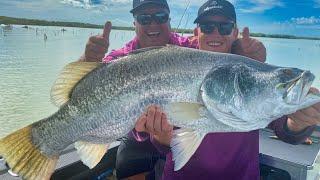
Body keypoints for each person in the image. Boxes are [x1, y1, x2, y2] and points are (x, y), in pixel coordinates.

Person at [78, 0, 268, 179]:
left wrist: (246, 53)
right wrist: (87, 58)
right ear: (134, 23)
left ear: (169, 19)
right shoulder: (121, 57)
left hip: (171, 129)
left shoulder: (185, 48)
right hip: (133, 127)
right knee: (126, 161)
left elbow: (215, 49)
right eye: (145, 19)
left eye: (160, 16)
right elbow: (82, 87)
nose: (153, 24)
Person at [133, 0, 320, 180]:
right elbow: (163, 142)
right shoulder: (175, 67)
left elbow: (283, 125)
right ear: (196, 32)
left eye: (224, 27)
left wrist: (299, 123)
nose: (216, 33)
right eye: (207, 26)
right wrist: (161, 139)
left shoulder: (248, 71)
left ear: (235, 32)